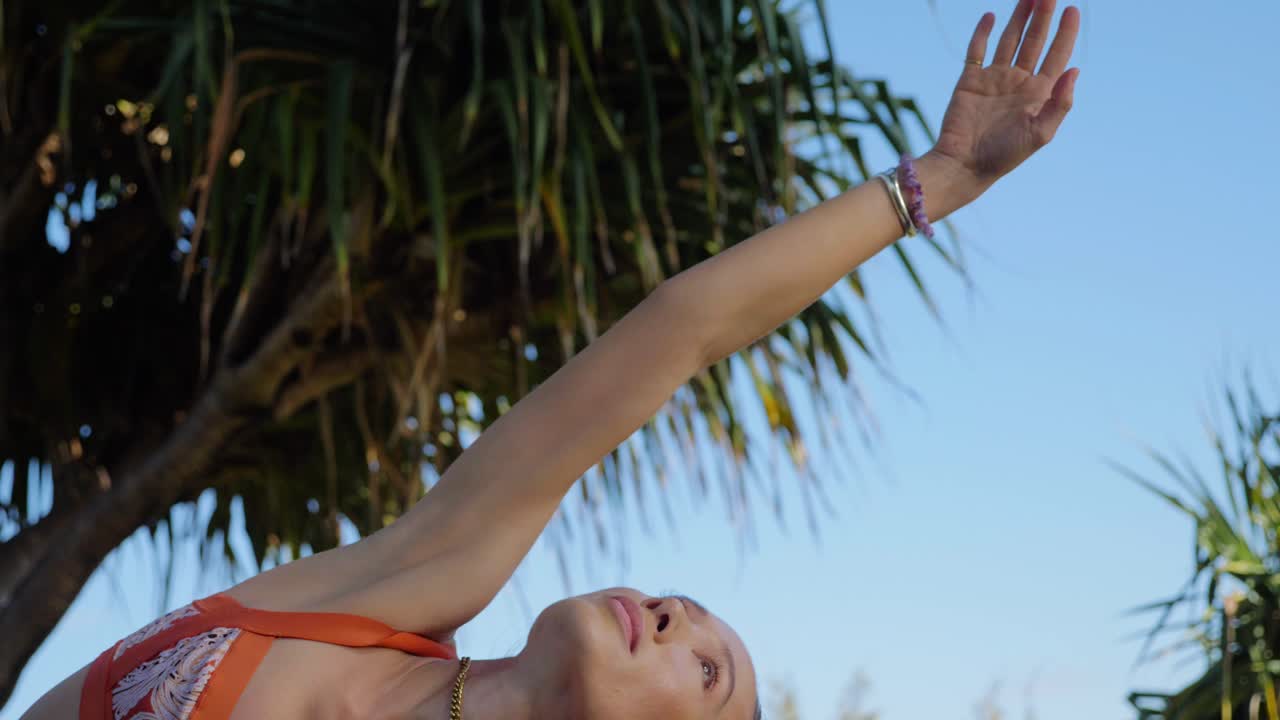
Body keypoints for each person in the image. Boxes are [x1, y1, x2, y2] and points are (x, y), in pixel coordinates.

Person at [22, 1, 1079, 717]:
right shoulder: (407, 588)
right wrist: (927, 182)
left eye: (703, 668)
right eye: (688, 610)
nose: (673, 615)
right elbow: (680, 329)